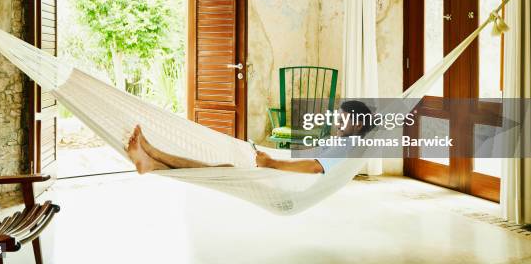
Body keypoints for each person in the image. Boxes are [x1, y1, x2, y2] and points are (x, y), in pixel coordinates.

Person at [126, 101, 374, 175]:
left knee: (223, 167)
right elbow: (311, 157)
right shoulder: (342, 141)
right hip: (282, 168)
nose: (338, 122)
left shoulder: (349, 145)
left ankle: (155, 153)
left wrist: (272, 163)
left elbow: (314, 167)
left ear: (359, 123)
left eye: (345, 119)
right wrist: (273, 155)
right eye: (338, 117)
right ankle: (152, 163)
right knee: (222, 156)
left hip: (285, 178)